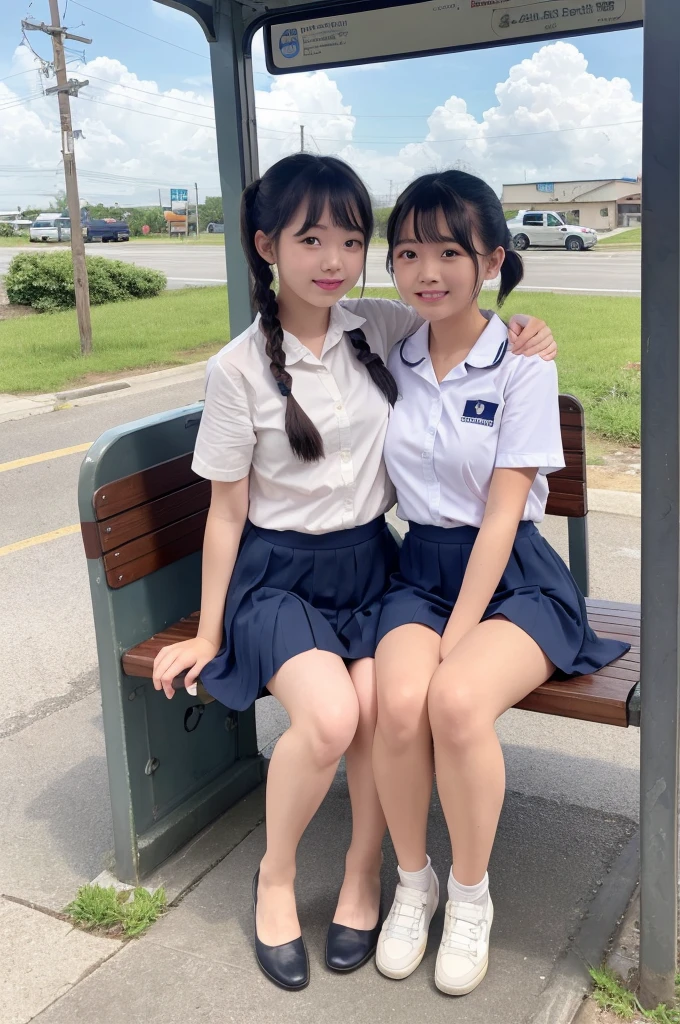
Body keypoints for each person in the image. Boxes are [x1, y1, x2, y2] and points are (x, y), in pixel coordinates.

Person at [150, 154, 557, 991]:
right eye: (310, 239)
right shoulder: (237, 369)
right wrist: (207, 630)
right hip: (285, 576)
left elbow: (466, 315)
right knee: (336, 718)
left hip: (375, 566)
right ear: (266, 246)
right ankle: (277, 876)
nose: (334, 259)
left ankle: (374, 877)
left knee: (385, 705)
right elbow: (226, 513)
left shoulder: (376, 324)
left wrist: (528, 330)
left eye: (350, 239)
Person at [371, 169, 630, 996]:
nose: (428, 271)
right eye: (408, 251)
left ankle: (471, 893)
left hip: (513, 575)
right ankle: (413, 883)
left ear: (492, 259)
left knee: (452, 699)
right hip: (420, 569)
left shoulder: (521, 361)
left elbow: (502, 510)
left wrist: (457, 638)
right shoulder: (391, 347)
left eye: (451, 250)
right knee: (396, 701)